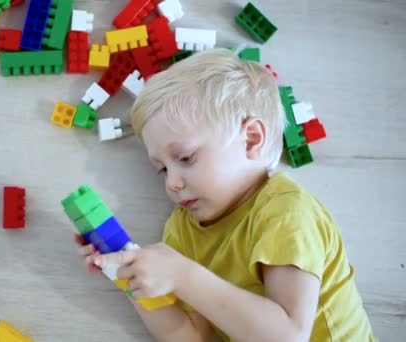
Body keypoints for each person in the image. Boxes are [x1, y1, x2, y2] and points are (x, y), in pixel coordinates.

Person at [74, 49, 374, 341]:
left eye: (186, 158)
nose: (172, 183)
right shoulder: (182, 230)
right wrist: (131, 275)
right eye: (162, 170)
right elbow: (191, 337)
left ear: (251, 139)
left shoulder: (286, 211)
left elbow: (288, 336)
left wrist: (182, 275)